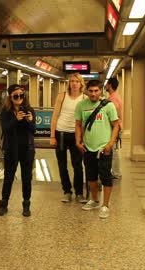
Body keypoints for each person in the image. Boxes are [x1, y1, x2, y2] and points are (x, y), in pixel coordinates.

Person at [75, 80, 119, 219]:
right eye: (91, 91)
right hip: (88, 147)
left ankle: (105, 205)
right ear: (86, 91)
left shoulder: (108, 106)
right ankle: (94, 200)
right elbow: (78, 125)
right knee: (91, 176)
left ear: (101, 91)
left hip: (103, 147)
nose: (93, 94)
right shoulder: (81, 105)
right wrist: (78, 141)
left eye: (96, 91)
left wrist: (110, 144)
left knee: (105, 176)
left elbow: (116, 125)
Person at [0, 84, 36, 217]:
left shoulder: (29, 110)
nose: (19, 98)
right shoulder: (5, 111)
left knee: (26, 178)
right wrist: (15, 119)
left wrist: (30, 121)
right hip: (11, 148)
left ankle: (26, 204)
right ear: (10, 97)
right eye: (16, 96)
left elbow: (33, 131)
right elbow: (5, 129)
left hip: (27, 149)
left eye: (21, 95)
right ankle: (3, 204)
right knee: (8, 177)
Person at [50, 73, 86, 203]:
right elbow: (55, 116)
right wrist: (52, 135)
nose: (74, 84)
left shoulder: (84, 98)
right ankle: (67, 191)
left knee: (77, 165)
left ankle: (79, 193)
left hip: (76, 135)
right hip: (61, 133)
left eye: (77, 81)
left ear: (81, 84)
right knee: (62, 164)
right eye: (72, 81)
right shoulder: (62, 96)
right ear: (69, 83)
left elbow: (85, 119)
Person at [106, 78, 123, 179]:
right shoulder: (114, 96)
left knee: (114, 151)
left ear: (110, 85)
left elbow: (114, 115)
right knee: (114, 150)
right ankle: (115, 172)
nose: (106, 86)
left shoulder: (113, 99)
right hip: (116, 127)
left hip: (115, 127)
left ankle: (116, 173)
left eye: (107, 84)